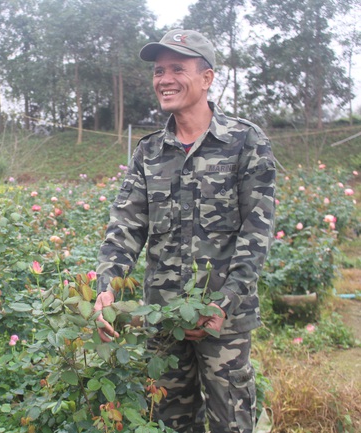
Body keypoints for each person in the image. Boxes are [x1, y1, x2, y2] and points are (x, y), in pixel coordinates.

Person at [93, 29, 276, 433]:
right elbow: (125, 227)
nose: (165, 79)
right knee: (168, 425)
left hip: (223, 323)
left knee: (233, 424)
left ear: (207, 78)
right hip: (163, 320)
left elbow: (256, 235)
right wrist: (105, 285)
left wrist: (223, 302)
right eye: (159, 71)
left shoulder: (245, 142)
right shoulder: (149, 151)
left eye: (178, 68)